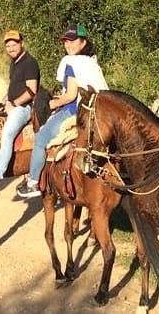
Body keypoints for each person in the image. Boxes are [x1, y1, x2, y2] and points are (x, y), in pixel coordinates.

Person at [17, 24, 108, 199]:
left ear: (83, 42)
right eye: (66, 41)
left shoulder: (71, 63)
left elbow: (70, 96)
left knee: (40, 139)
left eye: (73, 40)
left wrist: (49, 104)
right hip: (93, 110)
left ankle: (33, 182)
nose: (68, 44)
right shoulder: (92, 63)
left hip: (73, 112)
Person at [0, 30, 40, 193]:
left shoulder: (30, 63)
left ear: (21, 43)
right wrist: (5, 99)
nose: (11, 48)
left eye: (14, 44)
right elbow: (14, 85)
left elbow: (32, 90)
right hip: (12, 103)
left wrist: (13, 104)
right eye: (8, 45)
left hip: (24, 108)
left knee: (7, 134)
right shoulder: (14, 62)